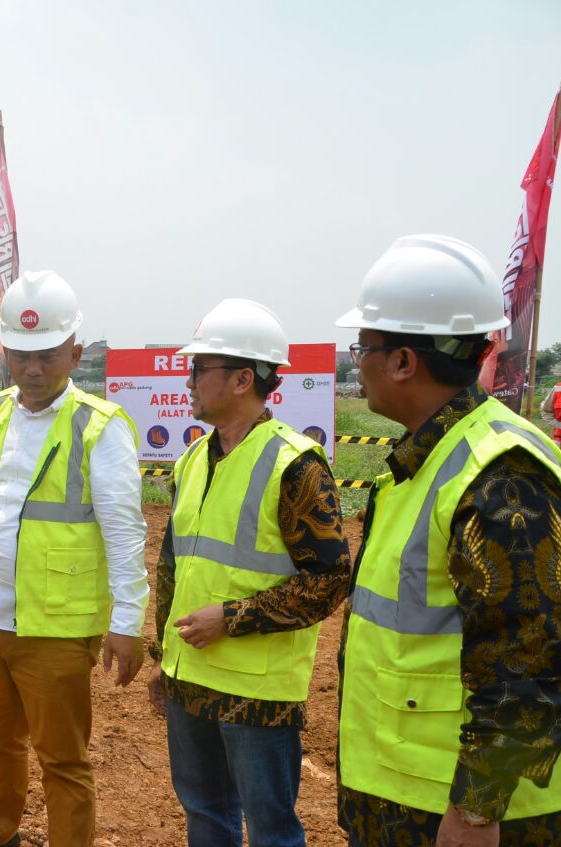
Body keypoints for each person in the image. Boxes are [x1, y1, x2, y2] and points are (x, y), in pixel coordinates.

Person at [335, 234, 561, 845]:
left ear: (402, 362)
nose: (354, 360)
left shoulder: (499, 474)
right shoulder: (431, 457)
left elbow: (530, 657)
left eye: (363, 345)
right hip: (405, 791)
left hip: (469, 814)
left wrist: (477, 809)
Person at [0, 270, 149, 847]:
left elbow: (126, 534)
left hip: (56, 625)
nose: (32, 368)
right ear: (4, 351)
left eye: (47, 355)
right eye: (20, 355)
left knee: (63, 759)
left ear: (75, 353)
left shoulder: (99, 428)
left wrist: (128, 624)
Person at [147, 299, 351, 847]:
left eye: (199, 369)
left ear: (243, 378)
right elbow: (174, 566)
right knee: (205, 814)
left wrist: (232, 619)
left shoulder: (296, 465)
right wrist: (164, 659)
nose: (187, 379)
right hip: (190, 676)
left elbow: (330, 581)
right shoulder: (193, 459)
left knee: (270, 830)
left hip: (256, 694)